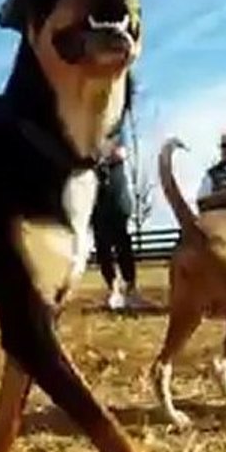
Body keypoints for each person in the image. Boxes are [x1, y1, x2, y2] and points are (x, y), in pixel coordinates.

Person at [91, 123, 153, 311]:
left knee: (122, 241)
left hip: (116, 194)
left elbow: (120, 153)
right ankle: (113, 289)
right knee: (101, 244)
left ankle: (131, 288)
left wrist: (101, 156)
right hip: (94, 195)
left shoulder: (115, 130)